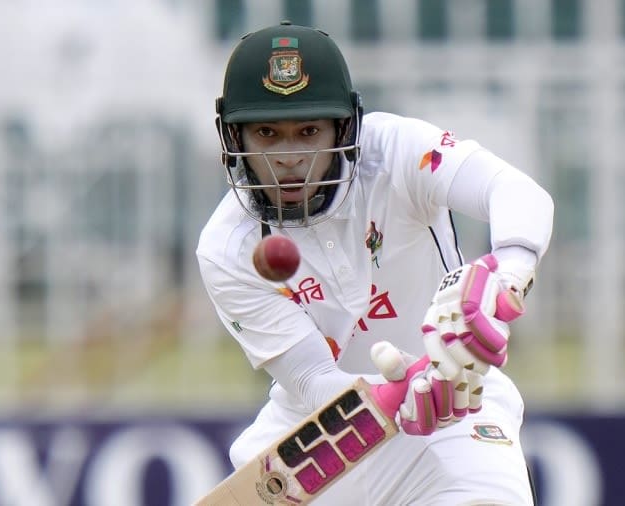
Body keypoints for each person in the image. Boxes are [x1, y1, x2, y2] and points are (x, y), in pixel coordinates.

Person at [197, 20, 554, 505]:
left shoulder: (398, 151)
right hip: (323, 428)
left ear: (345, 126)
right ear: (234, 137)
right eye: (267, 133)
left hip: (458, 405)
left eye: (308, 131)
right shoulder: (227, 247)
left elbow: (514, 190)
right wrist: (403, 390)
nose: (288, 157)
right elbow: (312, 380)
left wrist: (505, 276)